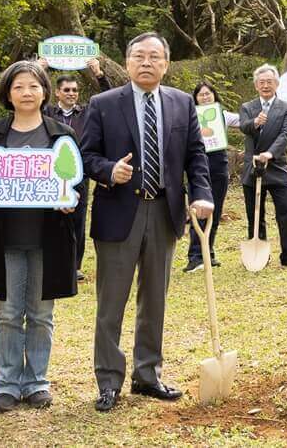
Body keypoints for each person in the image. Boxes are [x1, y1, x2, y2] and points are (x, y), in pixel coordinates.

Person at [78, 32, 213, 412]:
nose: (147, 62)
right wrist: (108, 170)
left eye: (155, 56)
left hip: (164, 212)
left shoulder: (181, 103)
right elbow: (85, 155)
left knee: (155, 299)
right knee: (111, 302)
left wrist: (201, 193)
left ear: (166, 63)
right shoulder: (104, 103)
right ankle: (108, 380)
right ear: (127, 61)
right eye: (139, 56)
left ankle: (147, 374)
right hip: (119, 212)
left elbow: (195, 155)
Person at [0, 61, 78, 412]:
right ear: (8, 93)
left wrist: (70, 202)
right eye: (18, 86)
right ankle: (6, 383)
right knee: (8, 313)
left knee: (40, 314)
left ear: (45, 91)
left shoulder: (61, 134)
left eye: (33, 86)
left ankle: (36, 382)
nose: (26, 93)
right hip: (6, 238)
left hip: (47, 238)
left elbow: (76, 184)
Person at [44, 58, 112, 281]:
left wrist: (99, 75)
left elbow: (110, 99)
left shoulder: (86, 113)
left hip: (80, 174)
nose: (72, 93)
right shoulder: (48, 113)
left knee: (78, 220)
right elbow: (33, 95)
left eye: (74, 90)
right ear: (57, 92)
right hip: (51, 175)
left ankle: (75, 266)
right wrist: (39, 69)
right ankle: (52, 263)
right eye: (67, 90)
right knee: (51, 219)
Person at [239, 64, 287, 268]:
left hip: (276, 166)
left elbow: (286, 135)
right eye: (261, 82)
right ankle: (260, 256)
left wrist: (270, 153)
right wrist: (255, 122)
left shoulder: (286, 108)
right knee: (255, 214)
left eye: (269, 82)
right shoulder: (248, 107)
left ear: (277, 84)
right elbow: (243, 127)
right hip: (252, 166)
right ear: (256, 85)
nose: (265, 85)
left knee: (285, 210)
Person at [184, 81, 240, 273]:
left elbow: (243, 121)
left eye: (208, 94)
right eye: (201, 95)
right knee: (198, 211)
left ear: (214, 96)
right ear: (196, 98)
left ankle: (209, 252)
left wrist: (259, 120)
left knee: (215, 211)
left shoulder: (223, 114)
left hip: (219, 167)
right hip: (197, 168)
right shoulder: (189, 117)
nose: (205, 97)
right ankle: (195, 257)